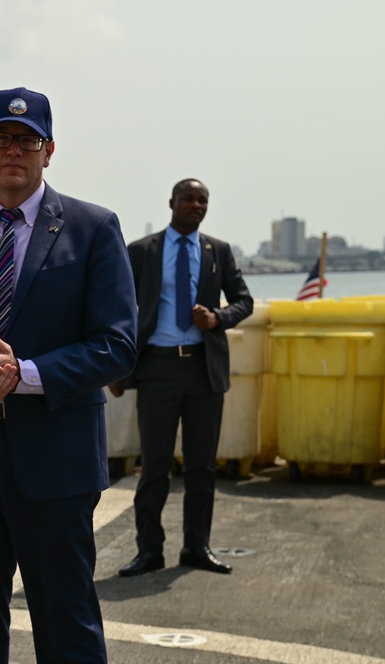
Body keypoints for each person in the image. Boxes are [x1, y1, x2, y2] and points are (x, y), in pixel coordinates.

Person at [0, 87, 137, 664]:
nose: (15, 151)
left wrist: (23, 373)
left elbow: (117, 345)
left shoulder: (93, 228)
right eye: (2, 139)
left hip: (55, 461)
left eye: (28, 141)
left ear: (49, 150)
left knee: (66, 621)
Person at [114, 178, 253, 578]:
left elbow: (245, 301)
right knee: (155, 466)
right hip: (158, 369)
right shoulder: (142, 251)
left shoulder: (218, 251)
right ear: (172, 202)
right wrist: (118, 366)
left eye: (202, 200)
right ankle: (149, 552)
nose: (196, 205)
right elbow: (118, 307)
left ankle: (196, 547)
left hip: (203, 369)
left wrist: (217, 318)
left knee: (201, 467)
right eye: (188, 199)